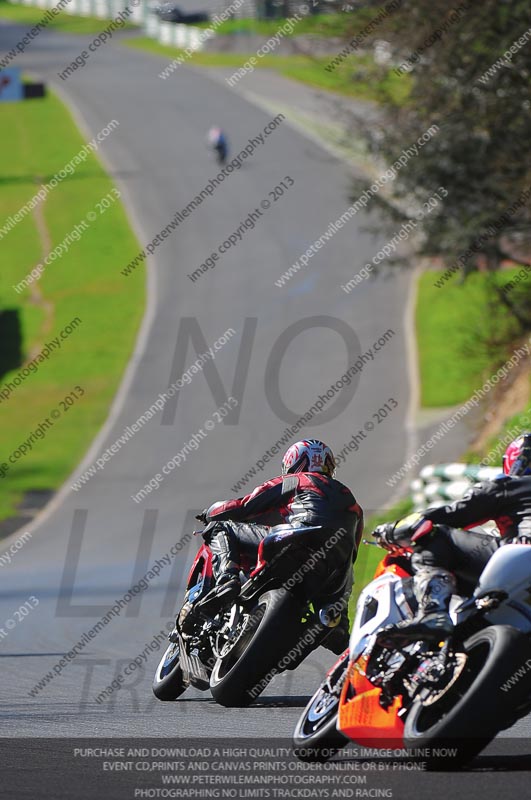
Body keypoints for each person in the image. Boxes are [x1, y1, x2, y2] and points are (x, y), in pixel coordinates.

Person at [188, 439, 364, 653]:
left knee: (221, 527)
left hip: (297, 540)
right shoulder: (352, 502)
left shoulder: (297, 480)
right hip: (335, 566)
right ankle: (334, 627)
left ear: (294, 462)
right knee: (338, 603)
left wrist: (210, 513)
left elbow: (245, 506)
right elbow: (353, 551)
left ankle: (227, 580)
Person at [374, 432, 531, 645]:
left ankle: (433, 612)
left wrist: (393, 529)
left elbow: (449, 515)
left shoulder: (509, 486)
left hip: (522, 552)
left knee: (435, 535)